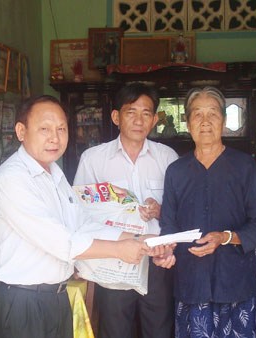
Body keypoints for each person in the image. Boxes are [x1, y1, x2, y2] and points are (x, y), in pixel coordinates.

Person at [0, 95, 153, 338]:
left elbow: (82, 224)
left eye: (61, 129)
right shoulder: (12, 179)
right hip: (23, 302)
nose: (55, 137)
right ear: (21, 131)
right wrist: (119, 250)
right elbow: (61, 242)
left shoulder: (55, 174)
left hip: (56, 298)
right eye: (45, 129)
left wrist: (138, 238)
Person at [154, 86, 256, 338]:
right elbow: (169, 226)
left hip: (235, 283)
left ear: (224, 122)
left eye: (213, 114)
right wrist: (165, 251)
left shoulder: (243, 166)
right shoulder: (176, 171)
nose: (205, 122)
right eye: (197, 114)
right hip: (191, 283)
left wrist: (225, 237)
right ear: (187, 122)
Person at [74, 83, 179, 338]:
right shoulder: (93, 159)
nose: (138, 120)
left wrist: (160, 210)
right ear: (116, 117)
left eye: (146, 113)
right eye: (131, 112)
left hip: (157, 260)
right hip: (113, 259)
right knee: (115, 330)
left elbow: (182, 213)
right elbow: (81, 212)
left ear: (155, 119)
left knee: (159, 330)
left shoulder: (168, 158)